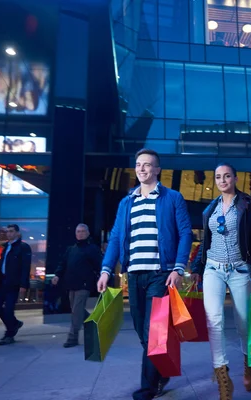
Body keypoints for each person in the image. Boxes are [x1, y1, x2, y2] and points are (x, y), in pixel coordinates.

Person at [97, 149, 192, 400]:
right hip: (134, 275)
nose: (142, 169)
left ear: (157, 170)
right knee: (142, 331)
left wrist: (178, 268)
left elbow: (185, 233)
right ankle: (161, 371)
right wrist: (107, 269)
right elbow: (117, 237)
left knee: (153, 331)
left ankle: (146, 389)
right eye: (138, 165)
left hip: (160, 274)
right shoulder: (127, 202)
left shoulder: (172, 198)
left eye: (147, 165)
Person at [190, 163, 251, 399]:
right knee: (214, 321)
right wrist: (196, 268)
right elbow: (206, 242)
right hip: (213, 268)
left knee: (243, 324)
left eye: (227, 176)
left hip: (240, 270)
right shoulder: (211, 208)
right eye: (218, 177)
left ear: (235, 178)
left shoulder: (247, 204)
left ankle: (248, 362)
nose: (223, 180)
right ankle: (223, 376)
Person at [52, 223, 102, 348]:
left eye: (83, 231)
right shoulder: (71, 249)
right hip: (71, 284)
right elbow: (62, 263)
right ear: (75, 234)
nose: (80, 233)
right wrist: (57, 275)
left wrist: (102, 279)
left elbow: (99, 265)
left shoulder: (92, 249)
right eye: (78, 231)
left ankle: (72, 338)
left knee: (76, 311)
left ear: (88, 233)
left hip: (84, 285)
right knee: (77, 310)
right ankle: (93, 324)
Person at [0, 224, 32, 345]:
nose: (9, 233)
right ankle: (14, 324)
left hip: (14, 284)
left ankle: (9, 334)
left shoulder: (23, 247)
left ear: (17, 233)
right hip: (2, 282)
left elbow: (26, 267)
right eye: (7, 231)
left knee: (9, 310)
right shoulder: (5, 248)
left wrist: (23, 285)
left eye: (11, 231)